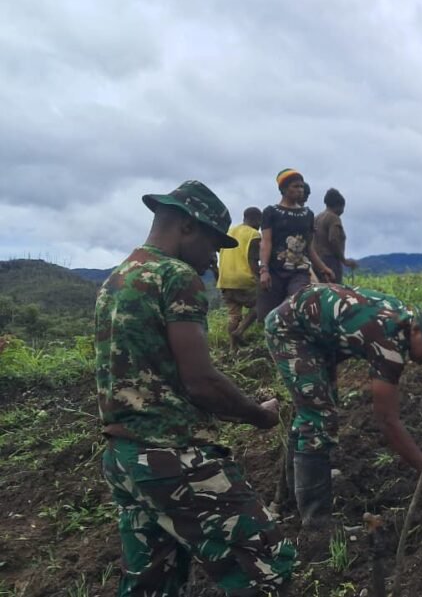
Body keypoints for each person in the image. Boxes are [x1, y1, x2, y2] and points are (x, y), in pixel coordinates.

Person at [96, 181, 295, 595]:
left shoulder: (118, 278)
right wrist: (260, 415)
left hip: (124, 459)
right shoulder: (176, 276)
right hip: (172, 454)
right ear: (187, 227)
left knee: (154, 581)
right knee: (266, 563)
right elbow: (201, 381)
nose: (213, 259)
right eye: (212, 245)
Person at [264, 284, 422, 528]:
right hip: (291, 331)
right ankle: (317, 523)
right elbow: (386, 420)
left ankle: (292, 494)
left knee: (316, 409)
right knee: (318, 417)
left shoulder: (400, 320)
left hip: (317, 335)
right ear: (416, 329)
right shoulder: (389, 342)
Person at [258, 168, 335, 321]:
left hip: (299, 272)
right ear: (284, 189)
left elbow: (309, 248)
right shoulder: (271, 212)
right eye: (295, 186)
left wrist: (323, 268)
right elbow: (266, 242)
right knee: (268, 316)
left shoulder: (307, 214)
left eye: (301, 186)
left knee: (297, 305)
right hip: (274, 271)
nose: (300, 190)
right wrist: (264, 270)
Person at [216, 206, 262, 349]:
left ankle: (232, 348)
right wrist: (260, 280)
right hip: (244, 279)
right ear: (257, 220)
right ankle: (240, 331)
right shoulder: (254, 234)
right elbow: (253, 260)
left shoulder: (229, 232)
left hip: (224, 279)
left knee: (233, 315)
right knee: (261, 304)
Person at [313, 188, 359, 282]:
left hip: (316, 262)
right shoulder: (334, 218)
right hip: (330, 262)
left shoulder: (317, 218)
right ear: (339, 206)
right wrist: (343, 260)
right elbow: (334, 239)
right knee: (334, 291)